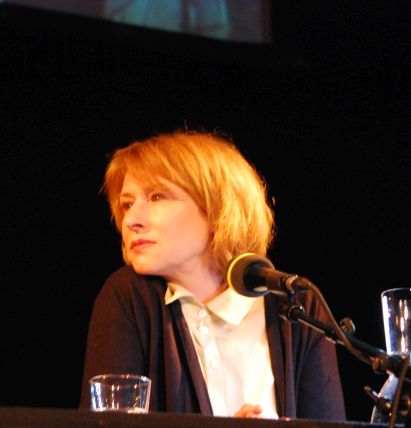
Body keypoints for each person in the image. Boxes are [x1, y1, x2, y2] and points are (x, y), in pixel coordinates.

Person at [80, 129, 346, 419]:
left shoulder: (298, 307)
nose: (131, 220)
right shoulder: (127, 298)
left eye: (156, 196)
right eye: (127, 204)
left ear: (217, 208)